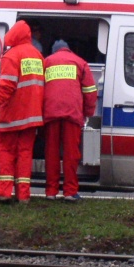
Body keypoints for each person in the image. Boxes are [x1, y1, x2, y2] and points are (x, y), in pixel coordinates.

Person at [0, 20, 44, 204]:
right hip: (32, 116)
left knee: (5, 152)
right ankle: (24, 196)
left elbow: (6, 85)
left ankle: (5, 193)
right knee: (25, 155)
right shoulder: (37, 55)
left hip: (12, 116)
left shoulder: (11, 56)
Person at [43, 40, 98, 202]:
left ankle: (51, 191)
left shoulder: (46, 62)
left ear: (54, 51)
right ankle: (69, 191)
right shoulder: (80, 62)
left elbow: (38, 88)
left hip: (50, 112)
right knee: (71, 153)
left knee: (51, 153)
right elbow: (90, 91)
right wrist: (87, 113)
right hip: (72, 113)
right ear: (69, 49)